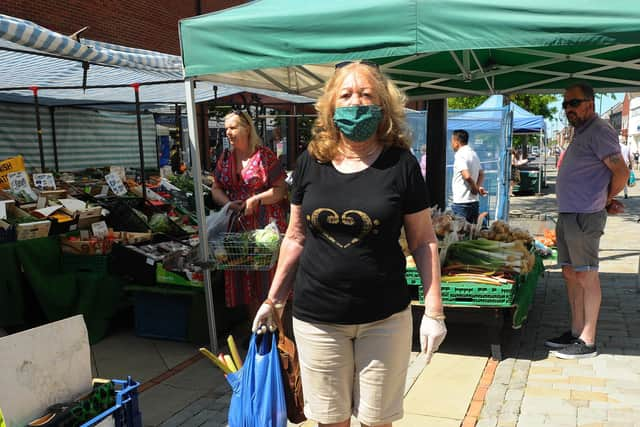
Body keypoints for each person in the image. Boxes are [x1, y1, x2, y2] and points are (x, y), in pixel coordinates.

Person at [251, 61, 446, 427]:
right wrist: (273, 300)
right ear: (330, 106)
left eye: (366, 94)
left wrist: (434, 312)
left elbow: (423, 241)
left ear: (382, 105)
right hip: (318, 318)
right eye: (346, 95)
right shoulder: (310, 162)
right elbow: (295, 236)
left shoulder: (400, 164)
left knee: (377, 421)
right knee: (330, 420)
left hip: (384, 318)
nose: (356, 103)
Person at [545, 83, 629, 359]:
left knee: (587, 275)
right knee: (570, 273)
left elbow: (621, 171)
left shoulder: (600, 130)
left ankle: (588, 340)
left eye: (573, 103)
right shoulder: (582, 132)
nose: (568, 108)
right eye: (565, 104)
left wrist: (605, 198)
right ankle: (575, 331)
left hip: (584, 216)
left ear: (589, 104)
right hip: (570, 213)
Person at [210, 110, 289, 316]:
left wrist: (256, 199)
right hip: (237, 224)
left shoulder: (265, 156)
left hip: (265, 223)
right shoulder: (225, 158)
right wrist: (228, 202)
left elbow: (281, 189)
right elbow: (215, 188)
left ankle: (276, 330)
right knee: (245, 275)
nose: (228, 132)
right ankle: (255, 328)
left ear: (246, 129)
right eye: (226, 128)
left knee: (267, 276)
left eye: (233, 127)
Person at [450, 129, 487, 224]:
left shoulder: (460, 155)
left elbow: (466, 175)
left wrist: (475, 188)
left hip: (461, 203)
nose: (451, 144)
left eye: (452, 141)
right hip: (474, 202)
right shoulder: (473, 153)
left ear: (457, 141)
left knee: (461, 234)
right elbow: (481, 174)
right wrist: (477, 187)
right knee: (472, 233)